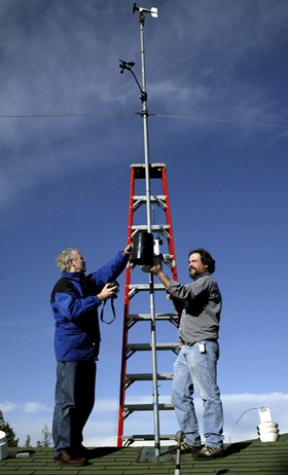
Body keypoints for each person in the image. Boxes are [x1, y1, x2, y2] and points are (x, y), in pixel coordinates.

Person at [50, 244, 131, 466]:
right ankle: (62, 449)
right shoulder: (63, 287)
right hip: (71, 352)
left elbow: (106, 271)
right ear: (71, 262)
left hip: (87, 351)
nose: (85, 260)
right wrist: (100, 297)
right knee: (68, 402)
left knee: (85, 401)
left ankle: (74, 443)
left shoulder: (84, 283)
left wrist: (124, 254)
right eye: (81, 258)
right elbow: (73, 310)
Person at [149, 248, 224, 459]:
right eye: (188, 261)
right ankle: (191, 440)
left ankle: (214, 443)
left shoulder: (207, 282)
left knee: (208, 395)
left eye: (194, 261)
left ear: (206, 264)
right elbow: (183, 301)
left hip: (202, 346)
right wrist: (175, 295)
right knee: (179, 394)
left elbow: (185, 293)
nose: (189, 264)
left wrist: (159, 273)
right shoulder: (196, 287)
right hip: (187, 347)